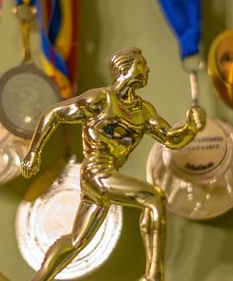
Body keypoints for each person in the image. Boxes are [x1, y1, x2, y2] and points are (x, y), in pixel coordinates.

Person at [22, 48, 206, 281]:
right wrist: (34, 152)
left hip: (107, 176)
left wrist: (191, 127)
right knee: (153, 198)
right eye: (142, 64)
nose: (147, 69)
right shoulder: (100, 100)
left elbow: (171, 138)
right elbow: (54, 114)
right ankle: (153, 275)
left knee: (76, 241)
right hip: (95, 173)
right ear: (125, 68)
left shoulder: (144, 111)